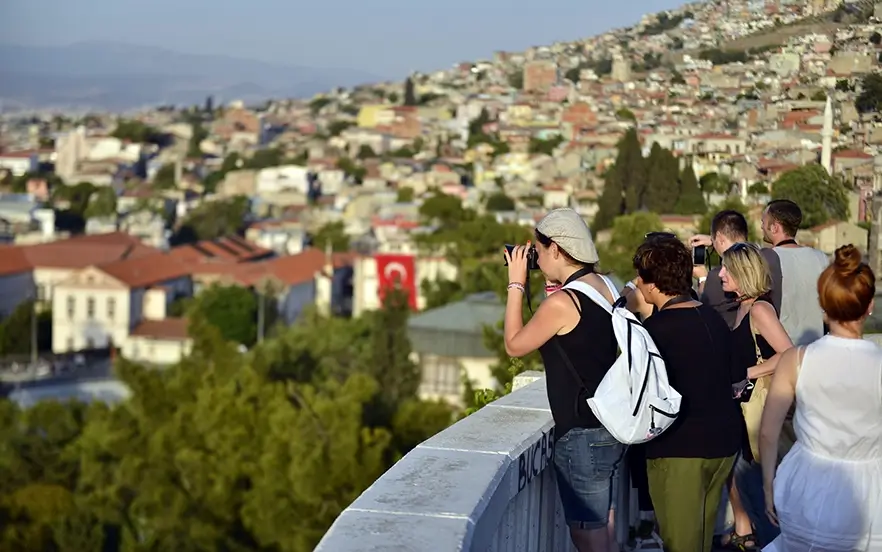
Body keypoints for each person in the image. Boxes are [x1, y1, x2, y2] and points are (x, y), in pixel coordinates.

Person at [503, 207, 623, 552]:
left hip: (581, 433)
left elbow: (515, 344)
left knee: (588, 537)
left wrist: (516, 284)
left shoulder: (564, 304)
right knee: (604, 527)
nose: (535, 260)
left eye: (538, 252)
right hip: (609, 423)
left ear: (556, 249)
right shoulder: (604, 287)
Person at [760, 244, 882, 552]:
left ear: (824, 307)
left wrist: (767, 485)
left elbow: (768, 432)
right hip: (870, 496)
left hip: (808, 488)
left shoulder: (796, 360)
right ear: (869, 307)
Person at [627, 235, 744, 552]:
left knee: (680, 544)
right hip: (723, 445)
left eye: (641, 277)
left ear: (652, 285)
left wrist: (629, 314)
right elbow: (735, 379)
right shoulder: (713, 318)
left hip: (680, 450)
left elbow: (635, 389)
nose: (638, 283)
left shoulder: (654, 331)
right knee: (701, 541)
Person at [720, 242, 793, 549]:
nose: (720, 274)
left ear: (743, 273)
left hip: (760, 418)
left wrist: (748, 374)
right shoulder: (741, 309)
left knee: (766, 506)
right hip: (745, 418)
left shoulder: (760, 310)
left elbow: (789, 353)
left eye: (727, 269)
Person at [690, 210, 782, 328]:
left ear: (719, 237)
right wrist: (716, 240)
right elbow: (747, 250)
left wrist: (702, 278)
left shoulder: (716, 276)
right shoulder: (770, 259)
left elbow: (703, 308)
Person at [761, 199, 829, 346]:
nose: (761, 227)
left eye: (763, 222)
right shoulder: (821, 258)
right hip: (816, 346)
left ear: (774, 227)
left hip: (781, 349)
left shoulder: (766, 258)